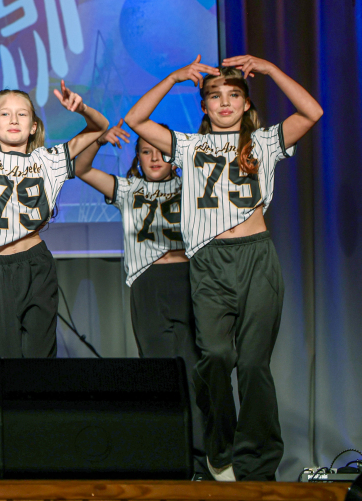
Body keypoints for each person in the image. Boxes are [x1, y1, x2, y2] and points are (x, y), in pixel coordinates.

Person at [124, 55, 322, 482]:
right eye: (215, 96)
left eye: (234, 95)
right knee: (215, 357)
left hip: (256, 257)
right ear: (204, 106)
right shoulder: (189, 146)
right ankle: (221, 445)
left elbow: (312, 112)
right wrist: (173, 77)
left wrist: (271, 70)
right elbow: (135, 119)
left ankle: (258, 465)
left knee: (253, 365)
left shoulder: (264, 142)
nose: (225, 103)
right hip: (210, 261)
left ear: (247, 104)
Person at [0, 63, 107, 358]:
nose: (13, 119)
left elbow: (100, 127)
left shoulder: (49, 160)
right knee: (7, 358)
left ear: (34, 125)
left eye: (22, 114)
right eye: (4, 114)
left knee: (40, 358)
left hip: (36, 262)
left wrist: (82, 108)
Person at [74, 119, 207, 475]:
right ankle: (168, 458)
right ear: (137, 158)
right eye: (146, 151)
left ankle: (202, 459)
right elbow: (81, 168)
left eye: (161, 150)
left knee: (197, 373)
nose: (155, 157)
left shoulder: (192, 184)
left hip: (189, 281)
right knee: (159, 373)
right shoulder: (128, 189)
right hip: (148, 283)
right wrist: (98, 139)